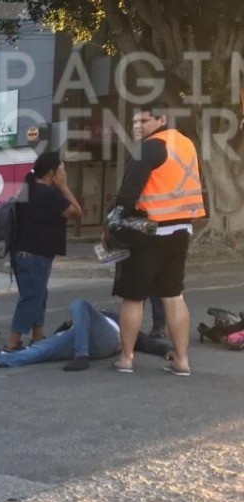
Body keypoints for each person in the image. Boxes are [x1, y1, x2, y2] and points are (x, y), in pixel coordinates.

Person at [108, 107, 204, 376]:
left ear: (162, 120)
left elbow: (127, 194)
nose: (138, 125)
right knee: (173, 295)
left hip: (148, 232)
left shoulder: (148, 148)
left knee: (133, 297)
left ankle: (126, 358)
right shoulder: (186, 144)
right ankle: (182, 361)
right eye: (135, 120)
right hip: (181, 230)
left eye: (144, 120)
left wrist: (115, 221)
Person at [4, 152, 84, 351]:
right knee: (31, 298)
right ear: (51, 173)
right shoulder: (49, 193)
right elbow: (76, 212)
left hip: (21, 253)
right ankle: (12, 344)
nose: (64, 173)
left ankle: (38, 338)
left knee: (38, 295)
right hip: (35, 254)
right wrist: (64, 186)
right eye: (62, 169)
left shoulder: (27, 189)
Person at [0, 298, 172, 370]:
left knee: (79, 303)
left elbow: (143, 341)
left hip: (107, 339)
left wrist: (166, 350)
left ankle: (82, 356)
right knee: (40, 350)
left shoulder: (116, 318)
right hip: (77, 336)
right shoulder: (86, 319)